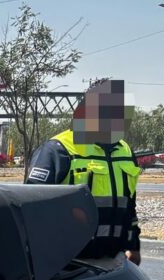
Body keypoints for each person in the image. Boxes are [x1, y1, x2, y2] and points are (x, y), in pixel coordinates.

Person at [26, 79, 141, 265]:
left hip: (114, 261)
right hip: (68, 263)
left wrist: (133, 246)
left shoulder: (125, 152)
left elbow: (129, 207)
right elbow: (31, 211)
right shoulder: (58, 150)